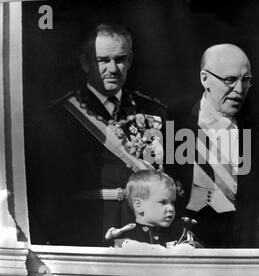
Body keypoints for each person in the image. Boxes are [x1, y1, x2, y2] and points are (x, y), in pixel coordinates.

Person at [27, 23, 167, 246]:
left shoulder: (153, 111)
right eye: (102, 60)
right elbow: (47, 191)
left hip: (141, 231)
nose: (112, 68)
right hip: (88, 229)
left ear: (130, 60)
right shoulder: (60, 117)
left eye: (120, 59)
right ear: (85, 62)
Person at [170, 44, 259, 248]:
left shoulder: (257, 122)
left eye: (245, 80)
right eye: (230, 80)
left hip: (241, 243)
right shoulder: (174, 119)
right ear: (205, 79)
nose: (239, 90)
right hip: (187, 242)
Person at [104, 170, 200, 250]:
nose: (171, 208)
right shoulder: (127, 235)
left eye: (172, 202)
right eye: (163, 202)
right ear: (139, 205)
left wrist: (187, 248)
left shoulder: (180, 231)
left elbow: (198, 248)